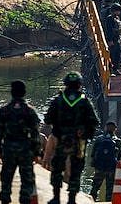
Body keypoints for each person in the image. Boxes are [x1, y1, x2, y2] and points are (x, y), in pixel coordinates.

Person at [44, 71, 100, 204]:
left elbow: (47, 119)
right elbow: (94, 122)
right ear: (80, 85)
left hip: (61, 140)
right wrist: (86, 136)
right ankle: (72, 199)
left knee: (57, 168)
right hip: (78, 141)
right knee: (76, 170)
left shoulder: (58, 100)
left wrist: (58, 128)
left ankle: (56, 197)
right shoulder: (84, 101)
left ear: (65, 84)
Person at [0, 80, 41, 204]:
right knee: (27, 180)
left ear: (12, 92)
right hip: (25, 149)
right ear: (24, 93)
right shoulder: (30, 111)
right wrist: (36, 153)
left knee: (6, 179)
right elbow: (35, 134)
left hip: (8, 148)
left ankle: (5, 199)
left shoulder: (4, 110)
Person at [89, 121, 121, 201]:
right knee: (110, 189)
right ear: (115, 129)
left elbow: (93, 154)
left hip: (100, 168)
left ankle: (91, 201)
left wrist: (94, 164)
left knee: (95, 188)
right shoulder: (118, 141)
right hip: (111, 169)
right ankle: (108, 202)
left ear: (106, 127)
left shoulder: (99, 139)